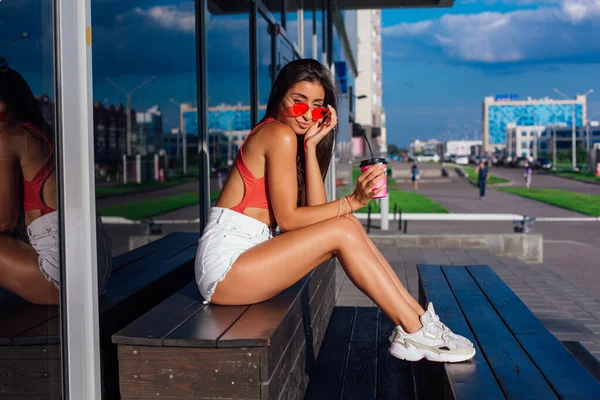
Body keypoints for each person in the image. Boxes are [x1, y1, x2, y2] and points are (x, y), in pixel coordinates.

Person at [195, 59, 475, 363]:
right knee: (344, 224)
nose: (306, 115)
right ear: (279, 96)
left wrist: (311, 147)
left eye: (316, 107)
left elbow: (316, 213)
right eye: (298, 102)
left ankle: (420, 322)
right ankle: (415, 330)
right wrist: (353, 200)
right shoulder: (277, 134)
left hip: (243, 257)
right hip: (227, 267)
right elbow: (290, 220)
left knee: (346, 224)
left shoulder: (288, 138)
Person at [0, 66, 112, 305]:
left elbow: (3, 221)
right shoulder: (46, 133)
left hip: (59, 276)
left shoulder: (9, 137)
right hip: (93, 272)